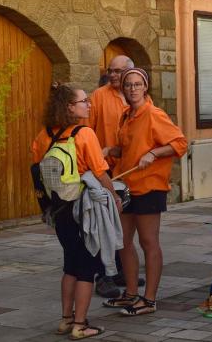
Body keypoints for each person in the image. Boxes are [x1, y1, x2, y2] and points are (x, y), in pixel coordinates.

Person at [32, 85, 122, 340]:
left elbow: (38, 170)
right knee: (86, 267)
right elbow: (100, 170)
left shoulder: (43, 135)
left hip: (59, 209)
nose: (89, 105)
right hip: (84, 208)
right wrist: (114, 195)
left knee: (70, 264)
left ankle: (65, 319)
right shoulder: (84, 134)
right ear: (70, 107)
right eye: (84, 101)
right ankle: (81, 325)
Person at [102, 68, 188, 316]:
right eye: (128, 84)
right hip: (126, 186)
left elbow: (179, 143)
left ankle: (149, 299)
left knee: (148, 242)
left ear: (145, 87)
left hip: (149, 186)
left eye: (137, 84)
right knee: (124, 242)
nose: (132, 88)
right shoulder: (127, 115)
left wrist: (154, 153)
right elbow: (130, 150)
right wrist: (111, 150)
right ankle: (130, 293)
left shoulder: (153, 114)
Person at [88, 54, 139, 297]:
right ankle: (102, 276)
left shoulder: (135, 96)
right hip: (104, 169)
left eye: (118, 71)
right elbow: (86, 130)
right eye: (111, 70)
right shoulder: (99, 96)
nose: (113, 75)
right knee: (102, 224)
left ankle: (120, 270)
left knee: (122, 224)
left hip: (127, 170)